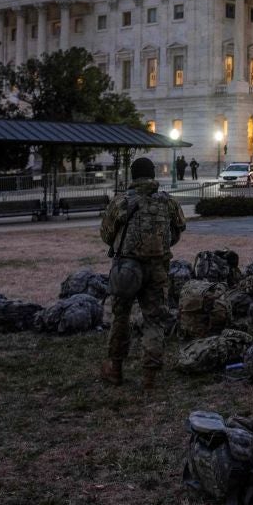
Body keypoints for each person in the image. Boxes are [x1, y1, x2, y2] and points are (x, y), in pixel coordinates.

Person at [99, 157, 187, 390]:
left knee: (120, 316)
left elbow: (107, 234)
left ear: (133, 175)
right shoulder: (167, 201)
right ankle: (150, 375)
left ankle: (115, 369)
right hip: (157, 267)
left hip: (127, 267)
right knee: (154, 319)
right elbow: (177, 231)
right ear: (153, 174)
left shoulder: (121, 202)